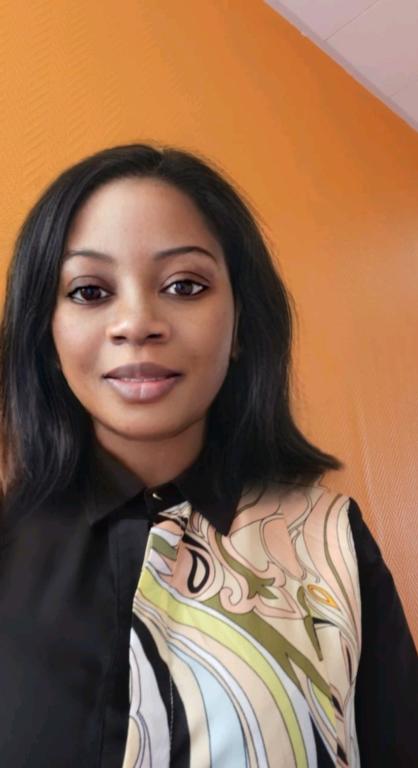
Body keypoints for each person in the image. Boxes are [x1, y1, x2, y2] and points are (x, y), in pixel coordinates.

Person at [0, 143, 416, 768]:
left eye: (184, 285)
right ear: (45, 332)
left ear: (241, 323)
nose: (137, 323)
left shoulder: (332, 542)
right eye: (89, 291)